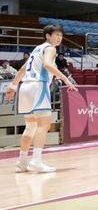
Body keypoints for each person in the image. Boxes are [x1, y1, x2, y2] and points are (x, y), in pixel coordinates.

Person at [6, 25, 78, 173]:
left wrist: (13, 86)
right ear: (48, 36)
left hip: (25, 87)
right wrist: (66, 79)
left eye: (61, 35)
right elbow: (47, 65)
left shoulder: (36, 49)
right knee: (43, 125)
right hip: (38, 86)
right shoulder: (50, 49)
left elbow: (22, 70)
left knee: (30, 126)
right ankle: (36, 161)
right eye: (56, 35)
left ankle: (22, 162)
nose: (59, 38)